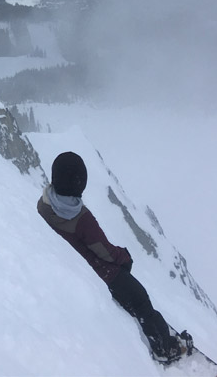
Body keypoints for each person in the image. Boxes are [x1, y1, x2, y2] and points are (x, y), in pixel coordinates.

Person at [37, 151, 186, 364]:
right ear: (80, 184)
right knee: (140, 297)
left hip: (76, 261)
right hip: (100, 271)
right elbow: (105, 252)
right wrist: (124, 257)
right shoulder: (82, 218)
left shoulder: (43, 204)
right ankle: (164, 348)